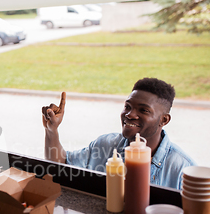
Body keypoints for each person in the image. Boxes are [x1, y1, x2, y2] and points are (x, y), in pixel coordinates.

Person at [42, 78, 196, 190]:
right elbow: (61, 166)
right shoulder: (106, 145)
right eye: (127, 106)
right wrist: (51, 130)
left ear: (164, 120)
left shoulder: (183, 168)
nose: (130, 114)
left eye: (143, 110)